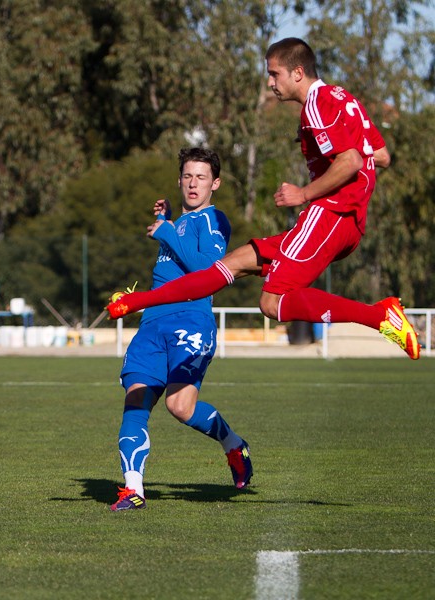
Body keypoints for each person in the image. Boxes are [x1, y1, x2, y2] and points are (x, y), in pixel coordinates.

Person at [107, 38, 420, 360]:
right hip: (344, 218)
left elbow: (351, 160)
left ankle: (379, 316)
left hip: (332, 213)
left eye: (274, 74)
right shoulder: (342, 97)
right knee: (234, 262)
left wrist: (304, 193)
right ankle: (136, 301)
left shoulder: (317, 102)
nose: (270, 83)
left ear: (298, 73)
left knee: (271, 302)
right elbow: (381, 156)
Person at [110, 147, 252, 512]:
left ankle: (234, 445)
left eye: (201, 177)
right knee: (136, 400)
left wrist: (168, 231)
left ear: (215, 183)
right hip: (152, 323)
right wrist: (168, 221)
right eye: (188, 176)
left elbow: (209, 270)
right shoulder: (179, 223)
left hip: (191, 321)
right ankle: (133, 489)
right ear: (179, 180)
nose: (193, 183)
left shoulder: (214, 219)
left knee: (179, 406)